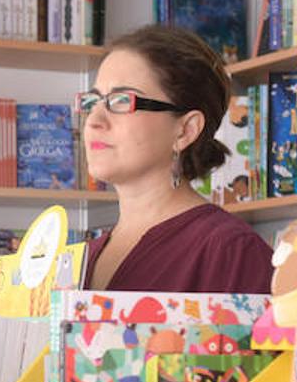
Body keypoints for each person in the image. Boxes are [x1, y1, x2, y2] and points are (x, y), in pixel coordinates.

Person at [78, 25, 273, 294]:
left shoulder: (231, 251)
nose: (94, 121)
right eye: (92, 102)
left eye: (122, 100)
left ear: (186, 130)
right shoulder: (81, 259)